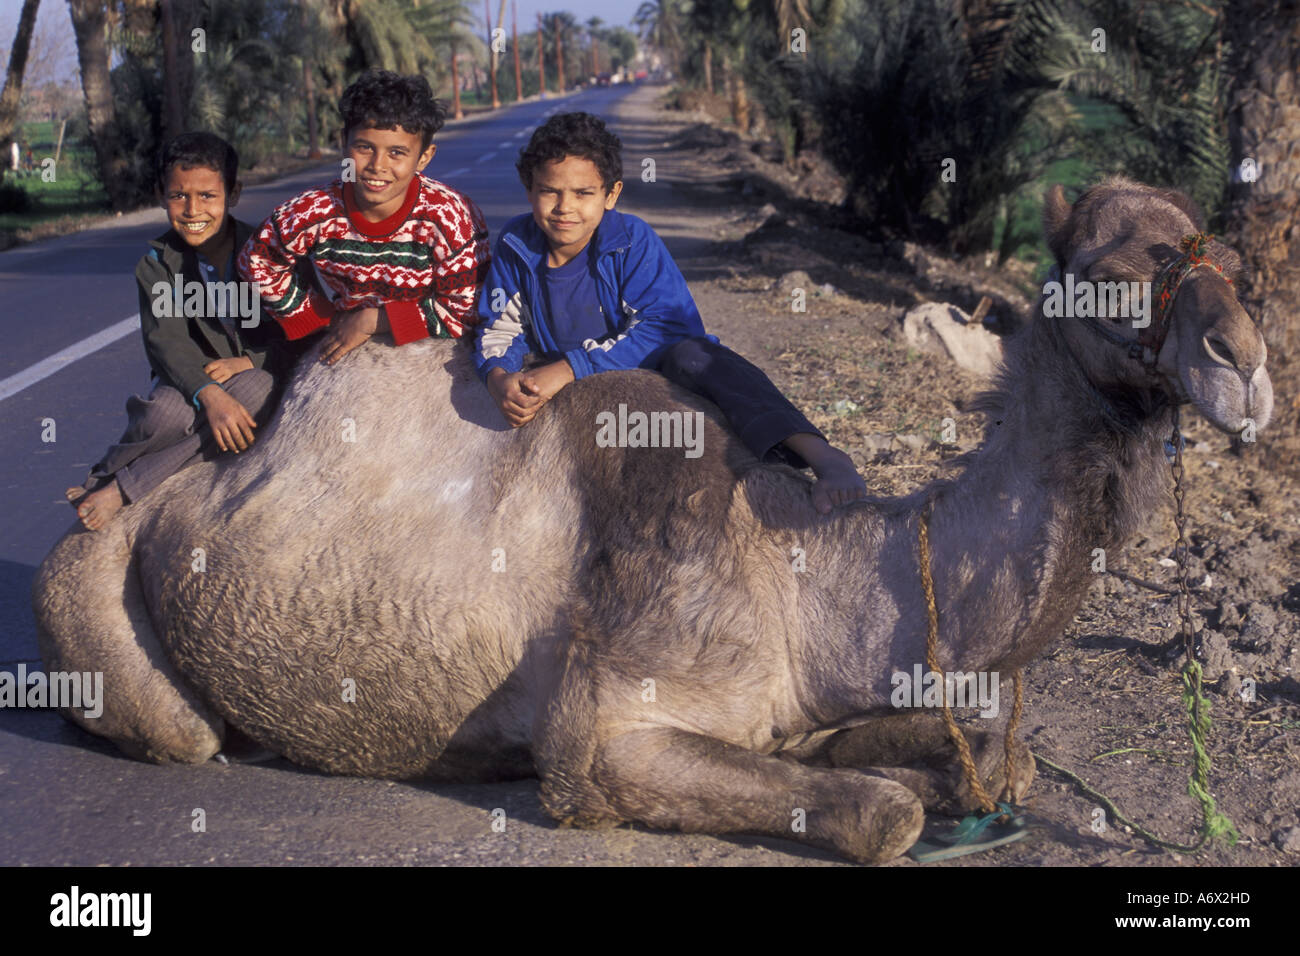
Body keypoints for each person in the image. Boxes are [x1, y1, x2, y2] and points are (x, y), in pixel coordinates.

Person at [474, 112, 867, 513]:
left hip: (651, 366)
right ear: (529, 190)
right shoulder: (517, 245)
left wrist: (569, 369)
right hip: (572, 380)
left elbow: (664, 326)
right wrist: (498, 379)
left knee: (703, 359)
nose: (564, 207)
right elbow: (500, 326)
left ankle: (823, 456)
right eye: (549, 191)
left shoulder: (631, 241)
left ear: (610, 195)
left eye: (582, 193)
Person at [67, 132, 286, 531]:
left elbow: (299, 330)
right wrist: (208, 393)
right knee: (163, 416)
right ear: (161, 195)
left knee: (254, 390)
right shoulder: (157, 264)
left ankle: (121, 487)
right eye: (178, 196)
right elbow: (164, 340)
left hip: (258, 374)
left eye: (207, 196)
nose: (192, 210)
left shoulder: (267, 251)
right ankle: (107, 468)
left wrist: (248, 360)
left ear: (232, 194)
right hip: (188, 380)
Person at [238, 69, 490, 365]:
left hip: (435, 349)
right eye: (364, 147)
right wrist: (322, 318)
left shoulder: (451, 217)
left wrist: (374, 321)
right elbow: (256, 261)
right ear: (344, 141)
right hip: (347, 340)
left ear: (424, 157)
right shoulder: (313, 211)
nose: (377, 165)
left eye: (397, 153)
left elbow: (467, 310)